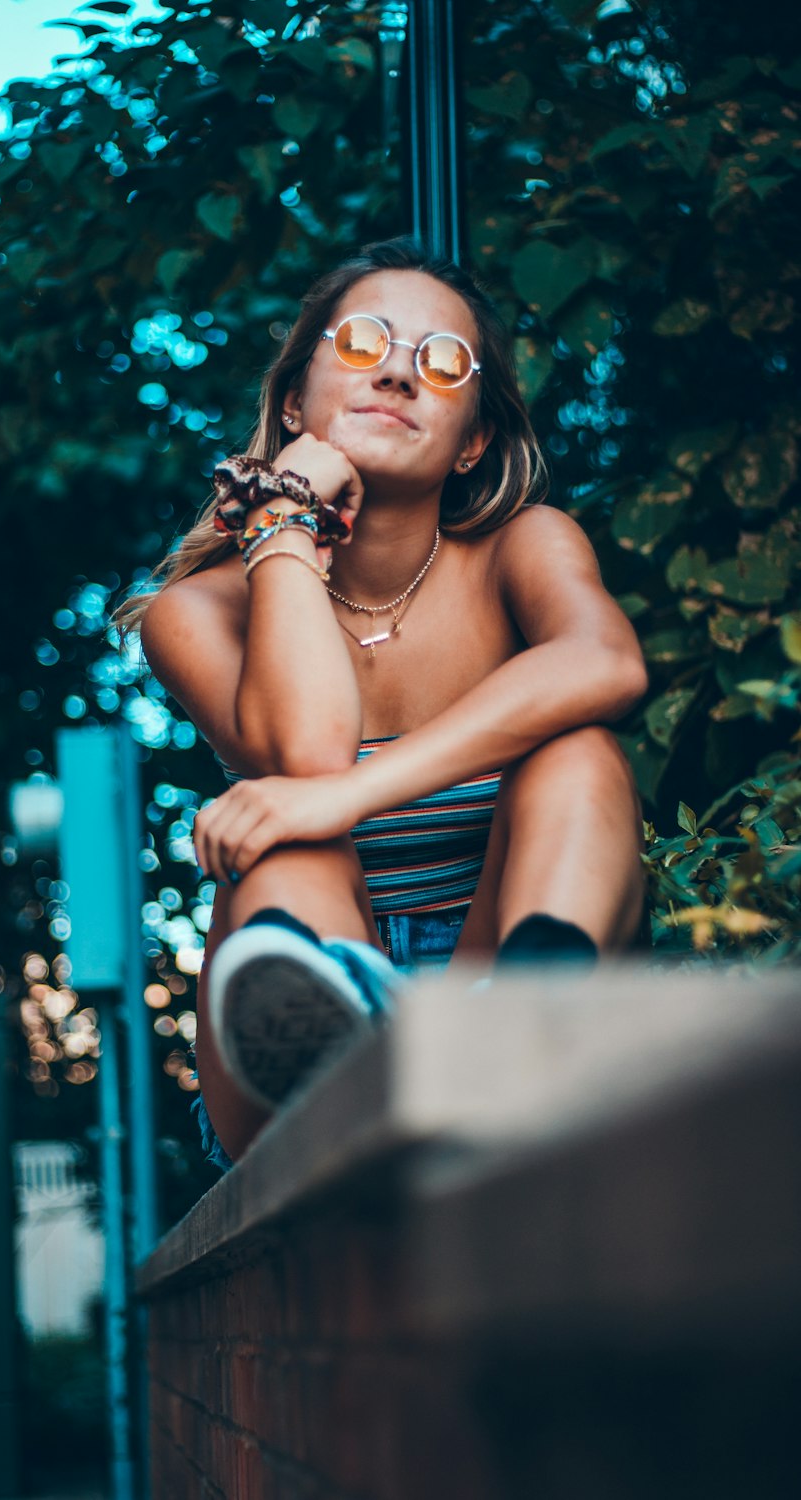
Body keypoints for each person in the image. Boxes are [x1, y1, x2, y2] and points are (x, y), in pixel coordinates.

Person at [118, 236, 648, 1172]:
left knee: (578, 751)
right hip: (298, 1001)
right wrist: (284, 519)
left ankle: (520, 1031)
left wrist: (350, 795)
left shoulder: (525, 546)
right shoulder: (195, 612)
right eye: (364, 344)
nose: (399, 375)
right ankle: (345, 1069)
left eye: (443, 363)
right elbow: (310, 756)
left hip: (488, 974)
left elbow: (605, 662)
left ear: (474, 437)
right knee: (291, 831)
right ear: (293, 400)